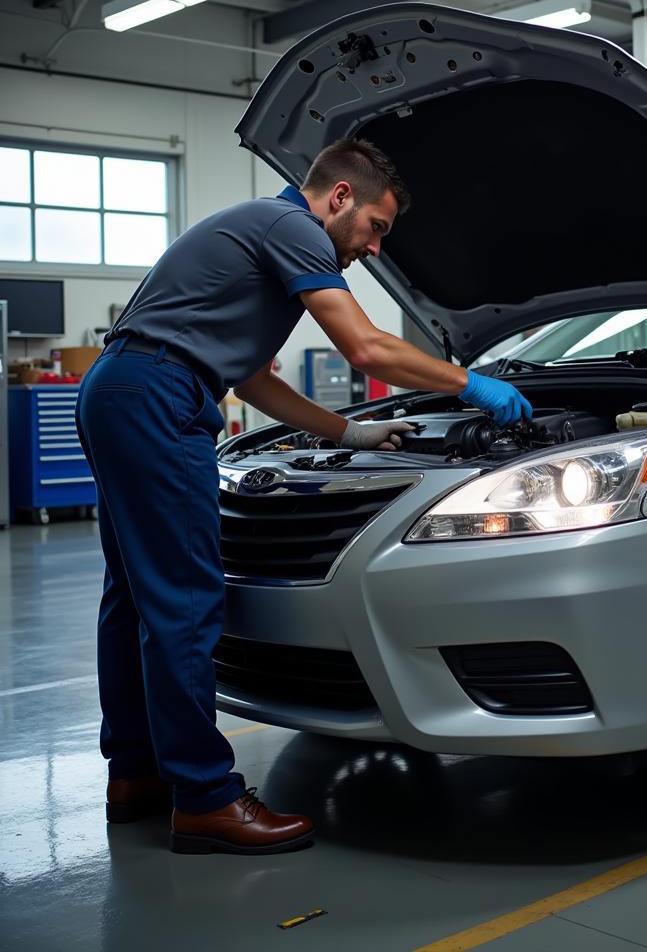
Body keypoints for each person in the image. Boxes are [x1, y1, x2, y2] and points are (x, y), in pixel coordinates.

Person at [76, 139, 531, 855]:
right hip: (159, 394)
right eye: (376, 227)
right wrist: (469, 383)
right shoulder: (292, 228)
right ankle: (205, 796)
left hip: (122, 387)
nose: (375, 248)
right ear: (340, 197)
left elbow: (255, 381)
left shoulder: (257, 235)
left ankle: (135, 774)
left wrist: (353, 430)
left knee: (132, 595)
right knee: (186, 598)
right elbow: (367, 349)